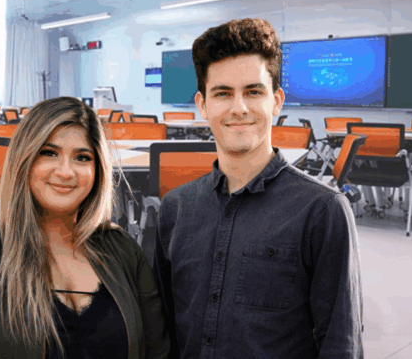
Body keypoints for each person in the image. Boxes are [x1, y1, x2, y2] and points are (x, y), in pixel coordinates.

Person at [153, 18, 364, 358]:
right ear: (202, 104)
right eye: (223, 93)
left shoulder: (322, 210)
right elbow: (162, 332)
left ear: (276, 101)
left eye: (253, 92)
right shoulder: (175, 208)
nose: (239, 108)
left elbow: (341, 344)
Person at [0, 96, 169, 359]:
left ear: (98, 169)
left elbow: (158, 351)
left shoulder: (124, 250)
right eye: (49, 153)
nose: (66, 172)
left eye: (82, 157)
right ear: (23, 159)